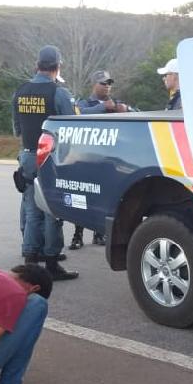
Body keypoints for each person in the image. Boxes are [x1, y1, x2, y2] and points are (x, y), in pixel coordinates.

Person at [13, 45, 79, 281]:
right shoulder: (58, 93)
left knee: (32, 211)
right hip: (51, 157)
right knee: (53, 212)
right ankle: (51, 262)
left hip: (28, 155)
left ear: (37, 65)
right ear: (57, 67)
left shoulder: (20, 91)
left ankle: (30, 261)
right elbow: (72, 130)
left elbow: (17, 130)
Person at [69, 69, 126, 249]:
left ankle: (99, 234)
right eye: (103, 83)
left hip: (107, 160)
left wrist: (126, 110)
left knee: (104, 198)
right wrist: (103, 107)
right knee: (82, 198)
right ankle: (77, 235)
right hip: (87, 158)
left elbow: (137, 113)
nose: (107, 86)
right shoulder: (84, 103)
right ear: (94, 84)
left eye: (110, 83)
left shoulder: (115, 103)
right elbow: (78, 114)